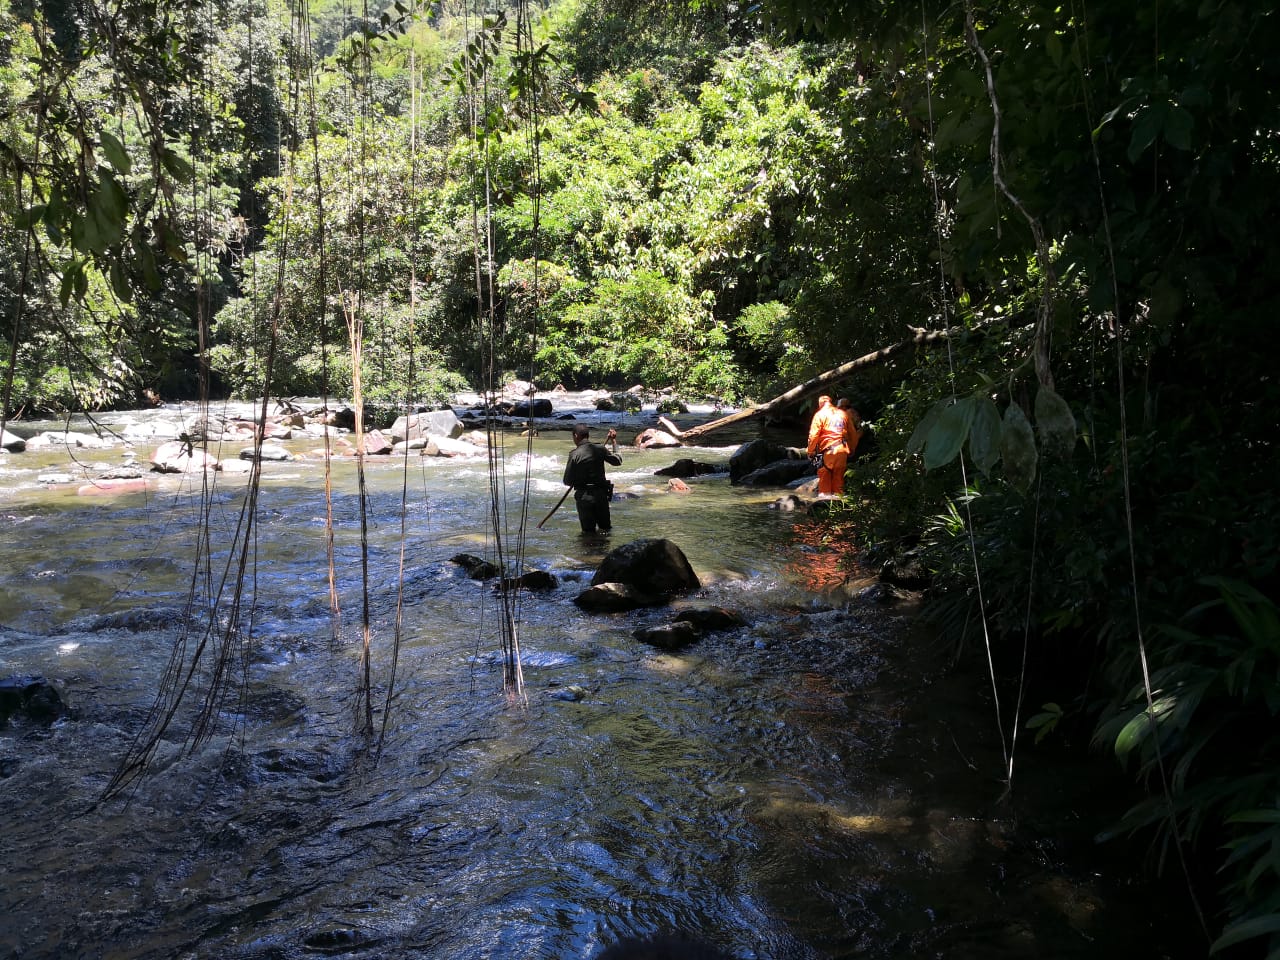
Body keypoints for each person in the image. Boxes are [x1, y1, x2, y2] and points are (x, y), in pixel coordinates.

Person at [563, 424, 622, 533]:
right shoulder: (599, 449)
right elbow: (618, 461)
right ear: (588, 435)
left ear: (576, 436)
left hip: (584, 497)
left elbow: (567, 481)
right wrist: (614, 441)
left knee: (588, 533)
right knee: (605, 530)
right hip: (601, 495)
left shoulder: (574, 454)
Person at [806, 393, 851, 497]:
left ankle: (824, 507)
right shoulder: (843, 414)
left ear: (820, 404)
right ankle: (839, 506)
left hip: (828, 452)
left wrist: (810, 451)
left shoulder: (819, 415)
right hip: (842, 450)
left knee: (824, 485)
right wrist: (852, 449)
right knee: (839, 483)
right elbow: (851, 433)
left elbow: (813, 435)